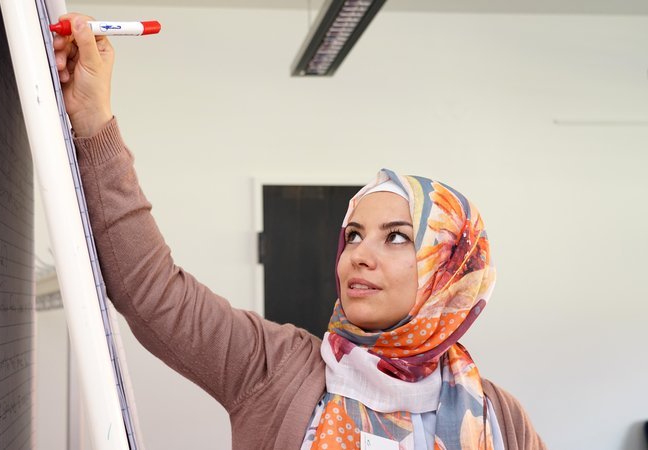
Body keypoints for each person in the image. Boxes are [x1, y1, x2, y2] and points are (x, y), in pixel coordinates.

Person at [53, 12, 547, 449]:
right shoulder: (273, 368)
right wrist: (94, 122)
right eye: (352, 235)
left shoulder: (502, 420)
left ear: (450, 272)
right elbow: (150, 291)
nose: (358, 255)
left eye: (396, 236)